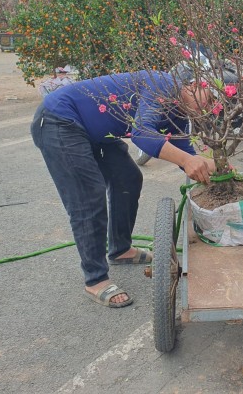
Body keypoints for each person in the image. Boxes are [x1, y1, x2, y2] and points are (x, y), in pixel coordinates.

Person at [30, 68, 216, 308]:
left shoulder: (180, 109)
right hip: (60, 121)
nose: (207, 109)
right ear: (193, 84)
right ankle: (95, 279)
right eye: (208, 99)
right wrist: (187, 161)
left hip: (96, 132)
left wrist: (212, 168)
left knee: (128, 178)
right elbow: (142, 135)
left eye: (213, 106)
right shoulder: (164, 85)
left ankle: (120, 249)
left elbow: (183, 148)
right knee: (88, 197)